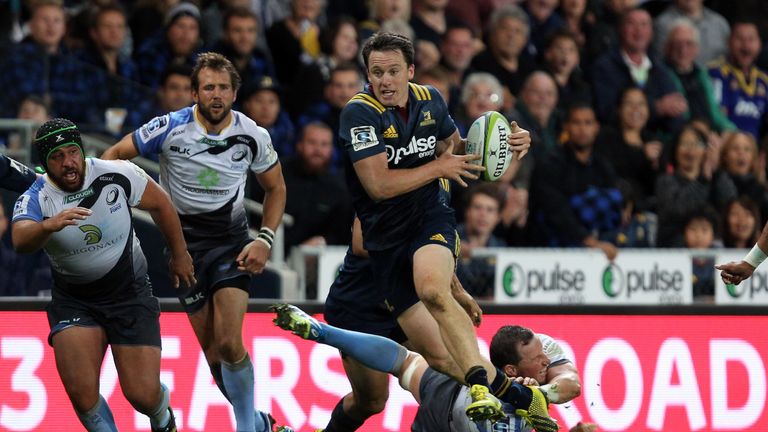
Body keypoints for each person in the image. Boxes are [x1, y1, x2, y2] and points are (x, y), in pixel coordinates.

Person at [340, 31, 532, 422]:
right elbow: (378, 186)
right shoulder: (359, 113)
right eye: (377, 73)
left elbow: (460, 155)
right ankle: (520, 398)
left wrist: (508, 146)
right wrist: (439, 166)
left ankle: (491, 391)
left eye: (394, 71)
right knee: (386, 392)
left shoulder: (431, 100)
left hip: (430, 216)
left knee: (432, 290)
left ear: (410, 71)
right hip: (387, 243)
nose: (386, 81)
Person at [102, 52, 287, 432]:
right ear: (194, 93)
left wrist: (264, 239)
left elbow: (276, 188)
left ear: (235, 93)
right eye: (208, 88)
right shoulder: (170, 127)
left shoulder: (252, 134)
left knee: (230, 341)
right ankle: (256, 421)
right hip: (182, 248)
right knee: (214, 353)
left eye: (223, 88)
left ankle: (245, 428)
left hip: (231, 243)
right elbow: (115, 155)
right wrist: (106, 205)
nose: (216, 95)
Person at [11, 118, 195, 432]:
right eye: (57, 157)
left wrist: (179, 254)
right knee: (82, 395)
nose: (68, 162)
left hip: (129, 293)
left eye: (72, 152)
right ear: (45, 163)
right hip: (75, 301)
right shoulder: (36, 195)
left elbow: (161, 204)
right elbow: (20, 238)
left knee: (142, 395)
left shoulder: (116, 172)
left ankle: (161, 414)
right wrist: (47, 226)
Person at [272, 304, 563, 432]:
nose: (545, 362)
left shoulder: (531, 389)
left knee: (406, 361)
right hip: (457, 415)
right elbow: (562, 398)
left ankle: (325, 332)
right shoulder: (534, 397)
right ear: (512, 369)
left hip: (451, 397)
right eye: (538, 358)